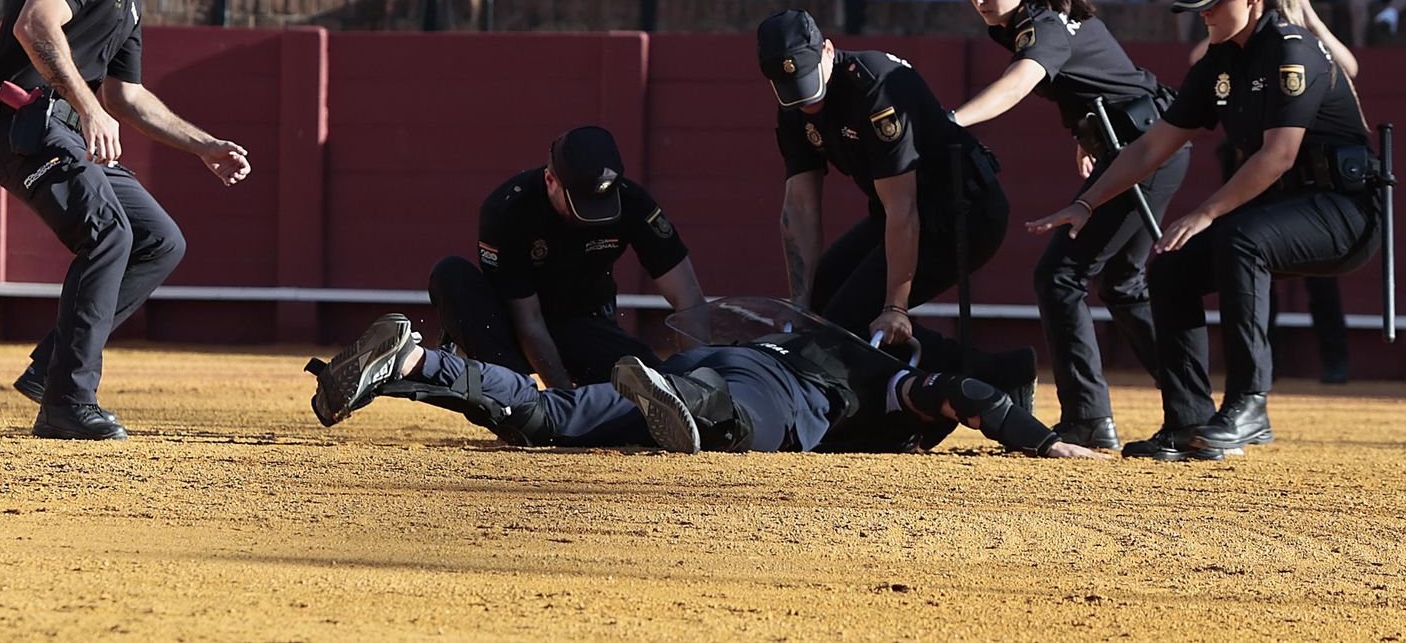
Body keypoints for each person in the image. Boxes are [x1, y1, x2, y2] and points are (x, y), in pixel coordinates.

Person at [1027, 0, 1381, 461]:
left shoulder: (1292, 49)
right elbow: (1151, 146)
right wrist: (1088, 203)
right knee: (1171, 266)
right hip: (1284, 211)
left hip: (1346, 212)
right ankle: (1187, 420)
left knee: (1240, 239)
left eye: (1214, 3)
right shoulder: (1221, 60)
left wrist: (1205, 211)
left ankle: (1249, 406)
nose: (1204, 14)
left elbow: (1278, 156)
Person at [0, 0, 250, 440]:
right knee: (111, 233)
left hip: (62, 126)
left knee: (159, 240)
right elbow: (34, 24)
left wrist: (203, 145)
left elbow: (126, 96)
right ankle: (66, 403)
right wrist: (86, 106)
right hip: (25, 123)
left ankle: (54, 364)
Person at [944, 0, 1187, 449]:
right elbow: (1090, 76)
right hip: (1142, 141)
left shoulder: (1041, 24)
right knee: (1121, 284)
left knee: (1060, 276)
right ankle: (1192, 408)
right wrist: (1084, 131)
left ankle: (1089, 419)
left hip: (1142, 149)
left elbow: (1022, 81)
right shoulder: (1037, 16)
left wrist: (953, 120)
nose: (979, 0)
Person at [306, 311, 1107, 458]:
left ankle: (417, 363)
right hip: (770, 392)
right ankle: (681, 409)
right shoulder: (889, 377)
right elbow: (967, 399)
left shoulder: (830, 333)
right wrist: (1040, 441)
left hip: (707, 358)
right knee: (742, 424)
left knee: (550, 417)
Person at [758, 8, 1033, 389]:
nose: (806, 100)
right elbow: (801, 207)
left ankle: (995, 377)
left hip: (963, 211)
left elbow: (904, 206)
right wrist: (800, 304)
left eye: (808, 80)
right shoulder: (793, 106)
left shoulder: (874, 87)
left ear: (827, 50)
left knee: (850, 320)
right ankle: (1002, 372)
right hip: (898, 214)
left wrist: (895, 307)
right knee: (822, 307)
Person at [427, 126, 707, 389]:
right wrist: (562, 397)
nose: (593, 217)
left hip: (582, 324)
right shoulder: (509, 211)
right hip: (514, 323)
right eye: (582, 204)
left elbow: (688, 299)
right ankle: (513, 397)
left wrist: (700, 379)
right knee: (450, 274)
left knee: (651, 381)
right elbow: (529, 320)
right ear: (550, 180)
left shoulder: (634, 203)